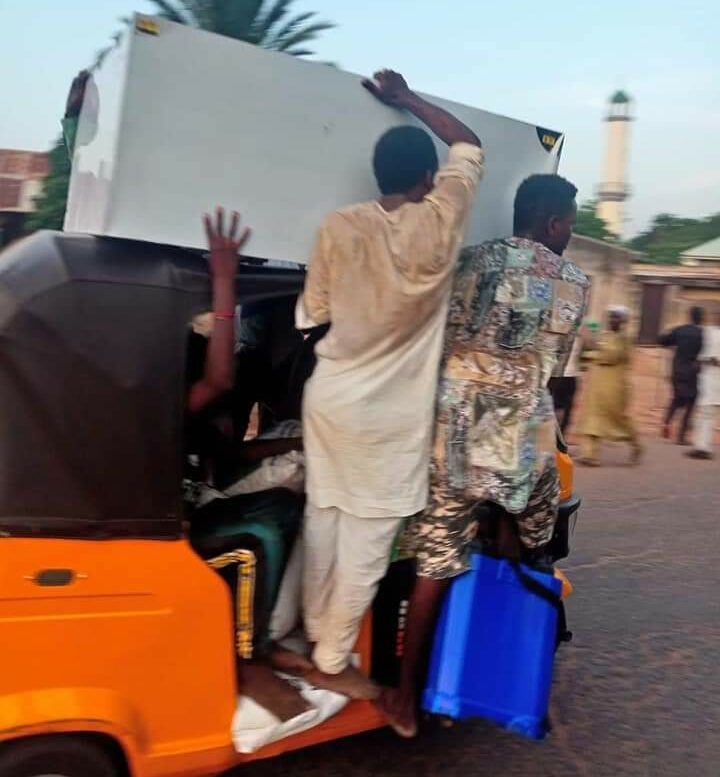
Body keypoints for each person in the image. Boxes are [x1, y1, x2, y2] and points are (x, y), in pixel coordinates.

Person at [376, 173, 588, 737]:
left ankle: (405, 698)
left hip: (452, 433)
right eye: (569, 222)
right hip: (523, 440)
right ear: (551, 223)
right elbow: (555, 374)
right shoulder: (573, 280)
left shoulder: (465, 261)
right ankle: (493, 666)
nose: (571, 231)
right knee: (536, 526)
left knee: (434, 559)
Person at [296, 69, 484, 699]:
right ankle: (329, 653)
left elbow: (312, 314)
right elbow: (469, 142)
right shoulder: (443, 220)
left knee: (323, 516)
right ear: (427, 180)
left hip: (330, 400)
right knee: (368, 543)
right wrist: (407, 99)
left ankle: (304, 629)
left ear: (377, 177)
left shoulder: (337, 226)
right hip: (391, 421)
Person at [185, 208, 309, 721]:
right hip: (170, 527)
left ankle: (265, 641)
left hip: (192, 505)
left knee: (282, 507)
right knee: (259, 541)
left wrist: (294, 443)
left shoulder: (185, 411)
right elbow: (217, 380)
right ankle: (247, 655)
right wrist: (223, 281)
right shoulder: (158, 400)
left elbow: (229, 453)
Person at [577, 306, 643, 466]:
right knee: (592, 416)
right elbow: (589, 354)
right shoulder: (604, 336)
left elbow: (610, 356)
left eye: (616, 318)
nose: (613, 321)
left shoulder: (624, 339)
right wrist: (589, 351)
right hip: (598, 383)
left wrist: (591, 351)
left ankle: (635, 444)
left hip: (615, 386)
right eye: (611, 317)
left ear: (623, 322)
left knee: (616, 420)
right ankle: (590, 454)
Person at [659, 306, 704, 445]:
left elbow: (662, 340)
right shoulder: (702, 334)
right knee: (691, 402)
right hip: (692, 371)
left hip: (677, 369)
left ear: (689, 316)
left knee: (677, 398)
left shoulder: (680, 330)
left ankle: (666, 421)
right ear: (701, 318)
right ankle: (681, 436)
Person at [687, 311, 720, 460]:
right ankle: (699, 446)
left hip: (717, 377)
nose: (716, 318)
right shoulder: (708, 331)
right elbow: (701, 350)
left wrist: (716, 361)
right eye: (716, 315)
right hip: (706, 376)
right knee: (702, 413)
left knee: (709, 413)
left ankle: (704, 448)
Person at [549, 335, 584, 435]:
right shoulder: (579, 337)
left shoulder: (559, 337)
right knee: (565, 411)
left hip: (559, 376)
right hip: (568, 376)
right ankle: (559, 438)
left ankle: (556, 437)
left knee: (556, 409)